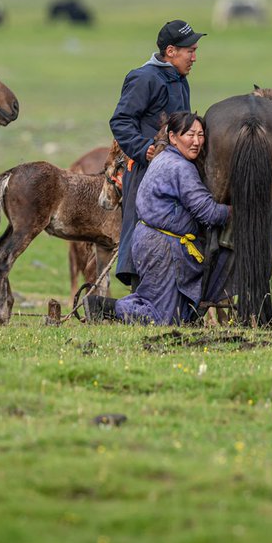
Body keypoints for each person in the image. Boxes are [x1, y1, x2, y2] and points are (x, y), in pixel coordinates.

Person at [85, 112, 230, 325]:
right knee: (163, 318)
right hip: (162, 246)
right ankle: (106, 307)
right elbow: (206, 211)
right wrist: (234, 212)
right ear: (172, 137)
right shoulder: (180, 167)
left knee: (160, 303)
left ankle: (108, 307)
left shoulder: (164, 158)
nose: (197, 141)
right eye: (190, 134)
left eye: (201, 135)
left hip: (152, 241)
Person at [108, 20, 204, 288]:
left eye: (195, 50)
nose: (194, 57)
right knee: (143, 227)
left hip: (174, 168)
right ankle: (141, 293)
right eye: (190, 50)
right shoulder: (145, 77)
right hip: (145, 169)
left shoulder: (179, 80)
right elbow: (121, 121)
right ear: (171, 51)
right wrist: (142, 148)